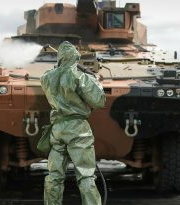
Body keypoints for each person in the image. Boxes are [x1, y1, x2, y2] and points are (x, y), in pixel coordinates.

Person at [40, 41, 106, 205]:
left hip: (57, 129)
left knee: (54, 175)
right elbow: (99, 101)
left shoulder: (47, 78)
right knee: (85, 175)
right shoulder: (80, 76)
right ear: (75, 57)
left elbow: (53, 78)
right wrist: (96, 81)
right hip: (78, 130)